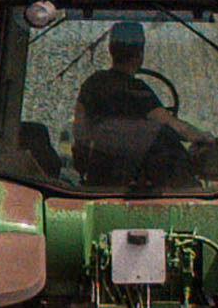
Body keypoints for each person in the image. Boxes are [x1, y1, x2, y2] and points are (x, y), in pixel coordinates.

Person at [70, 20, 182, 185]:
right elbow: (170, 123)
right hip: (135, 178)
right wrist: (203, 137)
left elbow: (79, 129)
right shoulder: (138, 91)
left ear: (110, 50)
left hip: (98, 177)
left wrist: (82, 163)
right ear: (140, 54)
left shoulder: (93, 83)